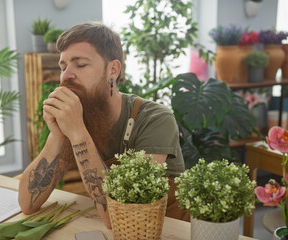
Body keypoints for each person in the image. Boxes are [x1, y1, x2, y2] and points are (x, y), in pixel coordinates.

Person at [18, 21, 188, 228]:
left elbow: (121, 217)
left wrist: (78, 132)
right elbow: (27, 203)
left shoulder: (156, 119)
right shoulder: (82, 114)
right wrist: (57, 134)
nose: (66, 76)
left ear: (113, 70)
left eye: (80, 65)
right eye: (63, 67)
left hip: (169, 231)